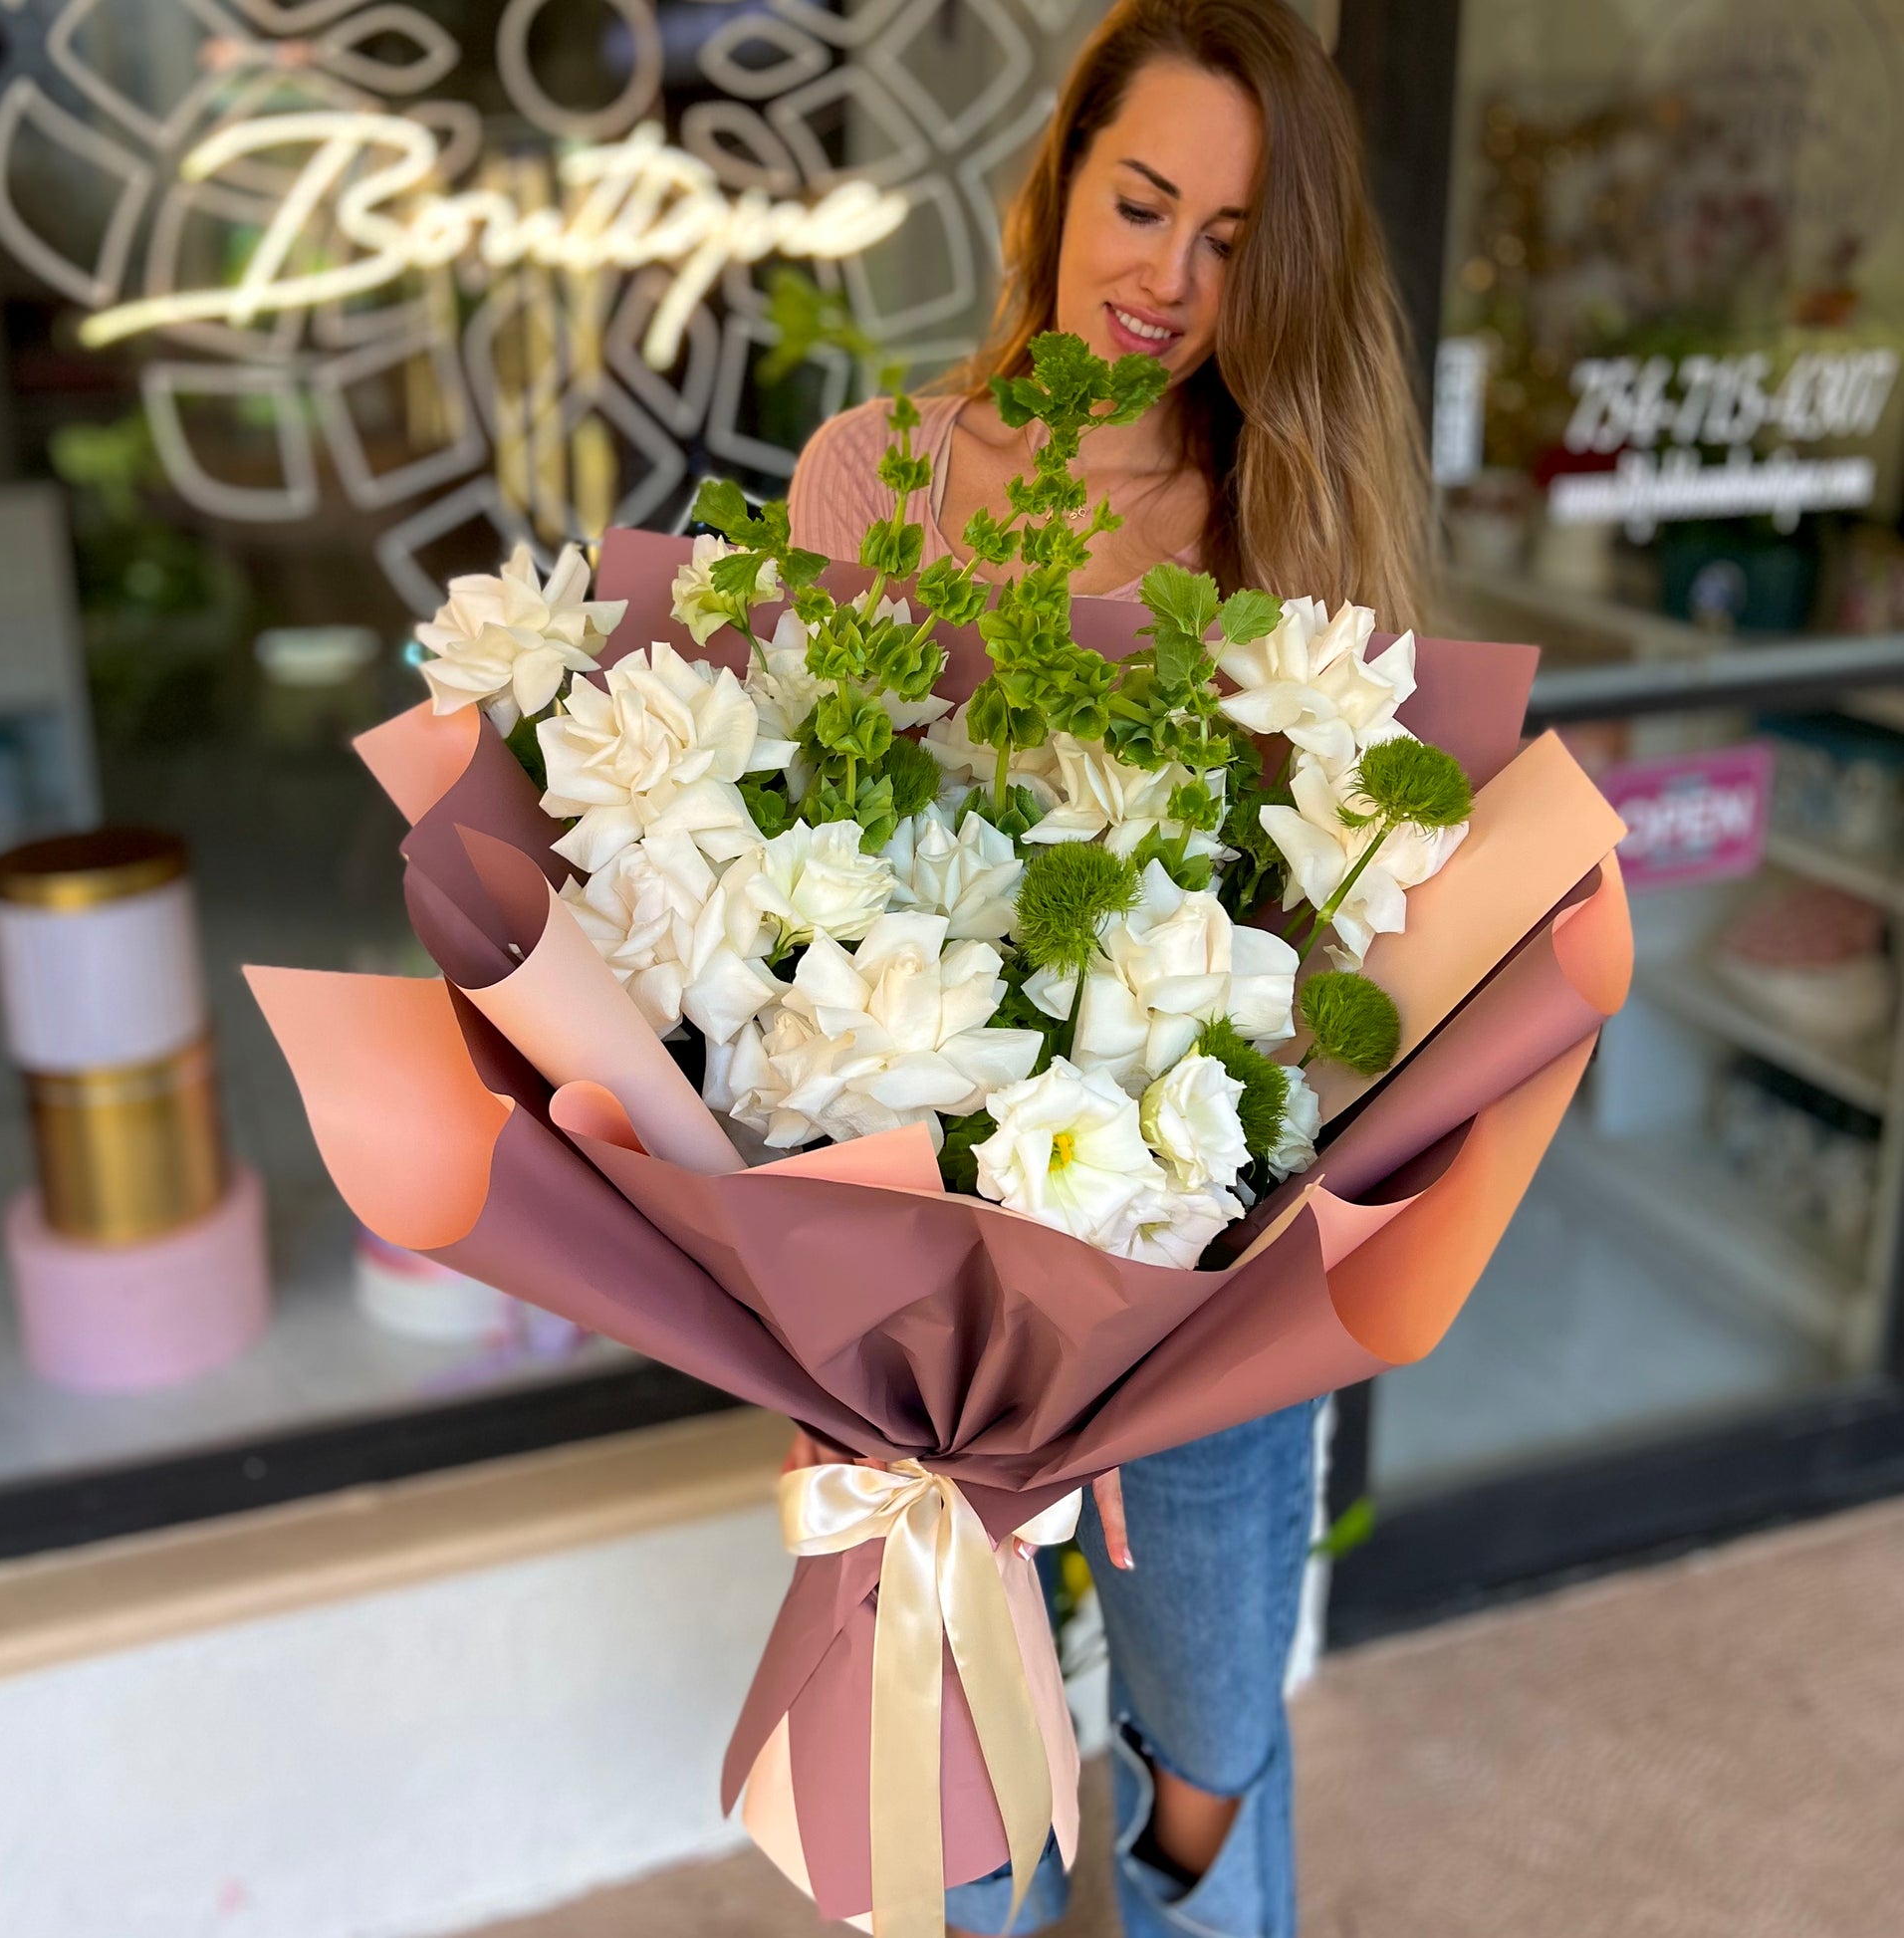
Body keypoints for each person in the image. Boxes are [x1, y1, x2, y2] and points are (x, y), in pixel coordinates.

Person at [781, 2, 1430, 1932]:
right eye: (1140, 204)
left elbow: (1362, 924)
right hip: (921, 1267)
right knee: (937, 1769)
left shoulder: (1290, 504)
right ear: (1057, 180)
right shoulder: (869, 473)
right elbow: (795, 871)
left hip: (1211, 1263)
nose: (1166, 279)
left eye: (1233, 244)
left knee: (1207, 1737)